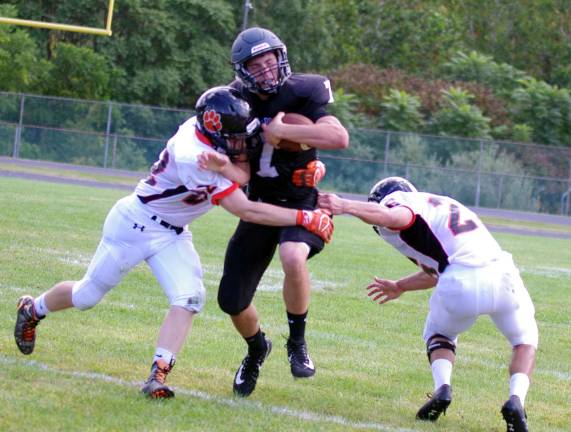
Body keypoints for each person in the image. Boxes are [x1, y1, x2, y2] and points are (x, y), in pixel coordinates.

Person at [13, 86, 334, 400]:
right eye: (234, 137)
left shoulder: (212, 140)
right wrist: (303, 218)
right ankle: (33, 308)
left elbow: (244, 173)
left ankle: (158, 374)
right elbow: (245, 208)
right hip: (135, 225)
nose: (240, 144)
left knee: (190, 297)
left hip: (173, 232)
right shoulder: (192, 154)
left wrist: (295, 165)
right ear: (214, 132)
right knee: (86, 296)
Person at [318, 177, 537, 432]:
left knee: (439, 334)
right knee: (525, 340)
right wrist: (400, 286)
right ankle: (516, 400)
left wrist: (344, 205)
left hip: (460, 280)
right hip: (503, 275)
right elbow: (435, 272)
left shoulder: (399, 201)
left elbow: (396, 217)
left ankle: (443, 388)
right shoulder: (440, 205)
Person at [217, 26, 349, 398]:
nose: (265, 69)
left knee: (293, 255)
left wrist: (280, 132)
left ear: (280, 56)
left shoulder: (303, 91)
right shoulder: (233, 100)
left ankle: (298, 342)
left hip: (301, 201)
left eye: (269, 59)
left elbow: (338, 138)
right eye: (255, 64)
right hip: (258, 205)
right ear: (243, 70)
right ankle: (257, 347)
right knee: (231, 299)